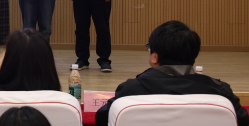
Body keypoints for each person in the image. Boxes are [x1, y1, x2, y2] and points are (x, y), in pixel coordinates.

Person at [95, 21, 249, 126]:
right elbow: (242, 120)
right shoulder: (220, 90)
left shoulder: (131, 89)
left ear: (155, 57)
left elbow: (102, 118)